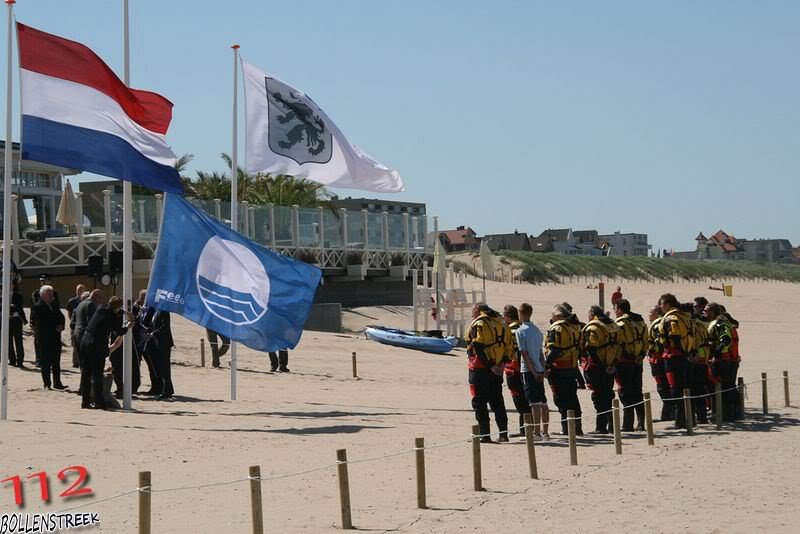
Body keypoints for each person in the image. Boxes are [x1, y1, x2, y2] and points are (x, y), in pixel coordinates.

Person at [466, 302, 511, 443]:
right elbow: (509, 346)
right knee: (497, 401)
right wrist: (502, 364)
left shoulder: (480, 324)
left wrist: (490, 365)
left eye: (473, 311)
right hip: (497, 368)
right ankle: (503, 434)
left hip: (480, 368)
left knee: (479, 402)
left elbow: (478, 346)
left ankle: (484, 434)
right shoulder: (502, 324)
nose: (472, 314)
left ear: (478, 311)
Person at [79, 296, 129, 409]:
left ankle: (85, 401)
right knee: (97, 375)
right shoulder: (111, 317)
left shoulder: (101, 308)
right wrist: (128, 326)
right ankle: (99, 403)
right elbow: (119, 331)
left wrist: (124, 312)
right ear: (117, 307)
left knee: (86, 374)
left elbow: (115, 311)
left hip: (85, 342)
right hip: (96, 346)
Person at [544, 305, 583, 436]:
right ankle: (577, 427)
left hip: (559, 368)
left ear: (558, 316)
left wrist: (546, 365)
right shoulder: (575, 327)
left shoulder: (557, 328)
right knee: (572, 397)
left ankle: (566, 428)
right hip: (571, 367)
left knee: (560, 399)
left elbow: (554, 349)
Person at [581, 305, 620, 434]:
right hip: (611, 364)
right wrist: (611, 364)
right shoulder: (613, 325)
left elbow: (591, 348)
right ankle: (612, 425)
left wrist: (602, 366)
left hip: (598, 366)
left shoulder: (594, 327)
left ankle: (601, 427)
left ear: (592, 314)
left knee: (599, 396)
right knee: (608, 394)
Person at [659, 293, 694, 429]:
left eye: (662, 304)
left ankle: (680, 421)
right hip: (683, 356)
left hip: (674, 357)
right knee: (684, 387)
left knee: (675, 389)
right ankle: (686, 419)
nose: (660, 307)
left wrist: (682, 351)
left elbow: (675, 336)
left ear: (667, 305)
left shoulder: (672, 318)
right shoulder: (684, 316)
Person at [516, 302, 549, 440]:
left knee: (535, 403)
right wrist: (543, 369)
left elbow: (524, 354)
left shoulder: (521, 331)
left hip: (529, 370)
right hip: (539, 368)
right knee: (542, 402)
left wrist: (535, 372)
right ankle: (545, 432)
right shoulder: (537, 330)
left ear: (522, 314)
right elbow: (540, 353)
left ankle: (536, 432)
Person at [614, 299, 648, 431]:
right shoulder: (640, 322)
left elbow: (619, 343)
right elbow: (646, 341)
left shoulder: (621, 323)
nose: (615, 312)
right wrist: (640, 356)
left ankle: (628, 424)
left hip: (624, 362)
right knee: (637, 392)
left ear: (620, 310)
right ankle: (641, 424)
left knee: (625, 392)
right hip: (637, 361)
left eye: (616, 309)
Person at [29, 285, 67, 390]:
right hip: (44, 339)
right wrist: (55, 326)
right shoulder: (37, 307)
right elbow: (41, 323)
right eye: (49, 294)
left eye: (52, 293)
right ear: (43, 295)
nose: (51, 296)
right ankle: (47, 383)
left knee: (56, 362)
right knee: (45, 362)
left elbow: (61, 317)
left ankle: (57, 382)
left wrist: (61, 326)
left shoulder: (54, 305)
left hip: (55, 337)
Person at [705, 302, 737, 421]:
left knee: (722, 388)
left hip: (721, 360)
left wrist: (716, 354)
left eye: (707, 311)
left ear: (713, 312)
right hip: (721, 359)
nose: (705, 313)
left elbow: (725, 339)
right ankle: (726, 414)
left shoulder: (720, 323)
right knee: (723, 387)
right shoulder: (719, 322)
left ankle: (726, 415)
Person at [501, 305, 528, 437]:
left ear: (507, 316)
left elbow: (508, 349)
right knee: (525, 397)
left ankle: (525, 429)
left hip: (513, 368)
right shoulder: (523, 328)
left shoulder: (510, 331)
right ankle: (525, 428)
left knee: (518, 398)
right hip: (526, 367)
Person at [141, 307, 175, 400]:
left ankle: (167, 390)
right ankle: (162, 389)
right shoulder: (154, 311)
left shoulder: (164, 311)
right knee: (158, 367)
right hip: (155, 342)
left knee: (164, 367)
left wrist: (153, 333)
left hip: (163, 343)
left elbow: (164, 326)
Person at [134, 290, 161, 395]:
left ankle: (156, 387)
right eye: (140, 298)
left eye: (142, 298)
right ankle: (153, 386)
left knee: (153, 365)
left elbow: (150, 323)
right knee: (149, 366)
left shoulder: (152, 309)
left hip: (150, 341)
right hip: (142, 342)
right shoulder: (142, 308)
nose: (140, 300)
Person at [687, 302, 710, 424]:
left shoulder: (692, 325)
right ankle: (701, 416)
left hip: (695, 360)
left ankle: (697, 417)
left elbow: (691, 342)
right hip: (703, 358)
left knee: (694, 389)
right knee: (699, 389)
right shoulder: (701, 324)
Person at [646, 306, 671, 421]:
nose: (648, 314)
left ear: (657, 313)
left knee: (663, 387)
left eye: (650, 312)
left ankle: (667, 415)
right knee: (664, 387)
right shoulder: (663, 323)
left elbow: (660, 343)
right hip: (659, 360)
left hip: (659, 360)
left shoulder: (658, 325)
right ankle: (668, 414)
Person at [73, 290, 103, 366]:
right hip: (85, 336)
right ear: (96, 297)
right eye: (100, 298)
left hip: (77, 334)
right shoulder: (91, 304)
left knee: (82, 361)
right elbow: (91, 323)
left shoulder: (81, 304)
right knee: (87, 363)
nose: (101, 301)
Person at [66, 284, 87, 368]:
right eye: (78, 290)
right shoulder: (72, 301)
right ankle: (75, 362)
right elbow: (69, 313)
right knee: (75, 344)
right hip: (75, 325)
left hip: (84, 325)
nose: (79, 292)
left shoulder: (86, 301)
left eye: (81, 290)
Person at [8, 280, 27, 367]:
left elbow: (19, 306)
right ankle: (11, 359)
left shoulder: (18, 295)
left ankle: (20, 360)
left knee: (18, 340)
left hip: (16, 318)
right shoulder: (4, 294)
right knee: (8, 341)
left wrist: (12, 306)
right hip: (7, 319)